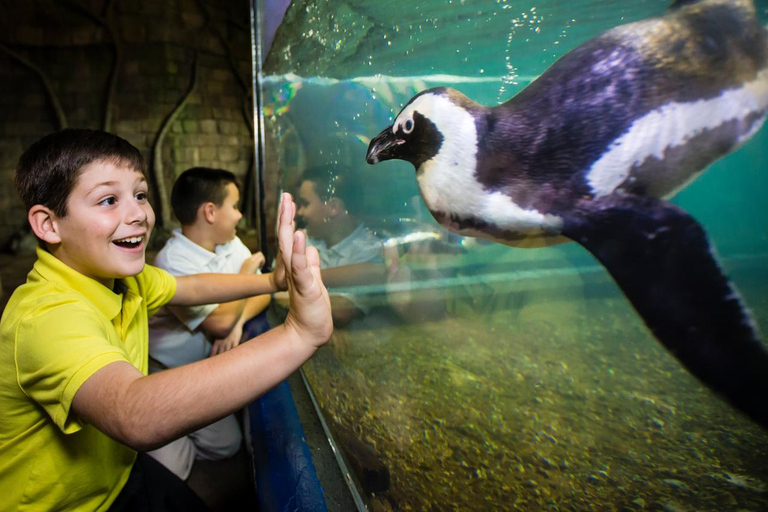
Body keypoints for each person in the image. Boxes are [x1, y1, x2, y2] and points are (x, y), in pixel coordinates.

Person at [0, 128, 332, 512]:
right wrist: (299, 335)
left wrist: (271, 280)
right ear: (48, 224)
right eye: (109, 200)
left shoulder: (125, 280)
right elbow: (133, 412)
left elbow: (189, 288)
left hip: (118, 475)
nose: (139, 214)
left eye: (140, 195)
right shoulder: (46, 316)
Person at [146, 167, 271, 479]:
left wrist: (238, 321)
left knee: (227, 445)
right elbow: (219, 325)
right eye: (235, 205)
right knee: (170, 470)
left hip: (202, 370)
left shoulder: (231, 244)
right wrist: (244, 277)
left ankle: (170, 434)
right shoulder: (172, 261)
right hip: (165, 372)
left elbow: (264, 294)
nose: (240, 215)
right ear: (210, 212)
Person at [295, 165, 388, 326]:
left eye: (305, 204)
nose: (300, 212)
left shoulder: (370, 250)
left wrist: (297, 283)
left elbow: (341, 311)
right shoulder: (304, 238)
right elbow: (277, 289)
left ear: (333, 207)